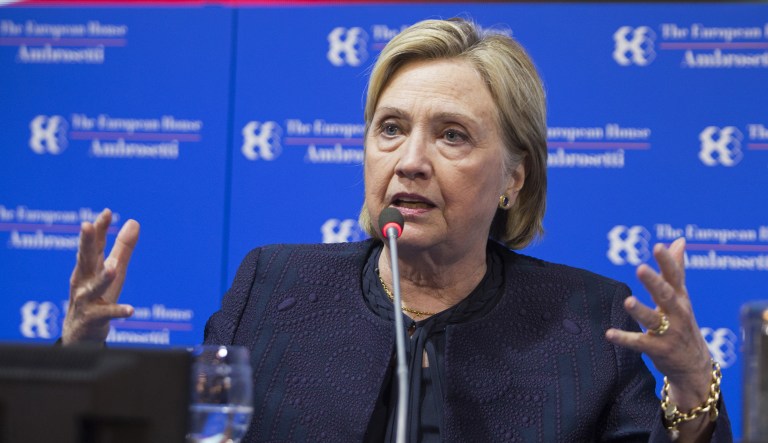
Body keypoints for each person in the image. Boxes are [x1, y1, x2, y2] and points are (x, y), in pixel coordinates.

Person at [62, 18, 732, 443]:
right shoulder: (270, 286)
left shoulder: (588, 320)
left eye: (452, 135)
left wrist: (694, 389)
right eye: (391, 128)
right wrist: (79, 359)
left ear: (514, 179)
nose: (410, 159)